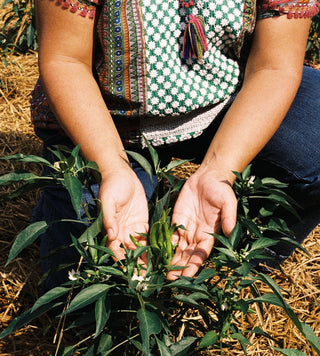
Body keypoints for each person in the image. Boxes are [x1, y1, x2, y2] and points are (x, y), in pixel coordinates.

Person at [31, 0, 320, 289]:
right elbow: (66, 60)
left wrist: (219, 171)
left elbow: (274, 67)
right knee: (105, 287)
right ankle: (69, 197)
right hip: (107, 123)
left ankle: (238, 261)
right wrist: (110, 168)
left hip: (228, 103)